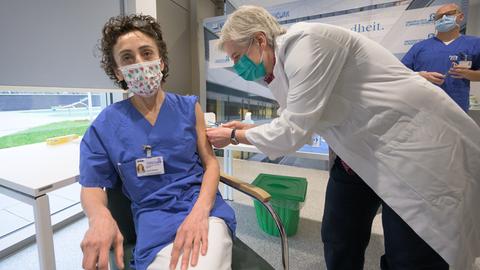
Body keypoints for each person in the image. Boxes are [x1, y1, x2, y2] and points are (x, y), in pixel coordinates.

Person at [206, 5, 480, 270]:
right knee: (338, 237)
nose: (235, 66)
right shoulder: (281, 67)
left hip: (410, 143)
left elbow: (292, 132)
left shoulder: (308, 43)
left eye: (236, 56)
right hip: (357, 153)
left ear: (259, 40)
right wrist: (244, 128)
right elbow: (293, 120)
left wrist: (232, 135)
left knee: (410, 253)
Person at [79, 14, 235, 270]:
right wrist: (99, 217)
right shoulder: (106, 123)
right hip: (153, 221)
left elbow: (211, 164)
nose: (139, 63)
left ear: (160, 62)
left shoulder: (188, 108)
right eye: (127, 58)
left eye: (146, 53)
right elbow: (92, 184)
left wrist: (199, 213)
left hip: (201, 209)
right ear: (118, 71)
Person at [402, 3, 480, 112]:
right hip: (421, 108)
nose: (443, 18)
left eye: (449, 14)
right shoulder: (419, 47)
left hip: (456, 108)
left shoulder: (474, 43)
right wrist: (421, 76)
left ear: (461, 16)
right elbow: (402, 73)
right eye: (439, 17)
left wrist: (468, 74)